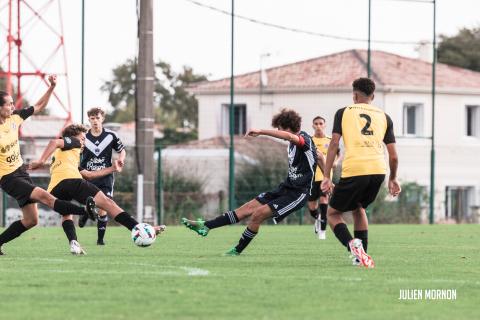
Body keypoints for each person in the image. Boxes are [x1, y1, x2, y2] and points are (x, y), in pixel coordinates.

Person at [181, 108, 317, 255]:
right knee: (245, 209)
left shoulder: (304, 139)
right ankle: (206, 226)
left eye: (279, 128)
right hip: (285, 187)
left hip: (298, 194)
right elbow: (320, 157)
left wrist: (261, 131)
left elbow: (292, 138)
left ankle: (236, 251)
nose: (277, 131)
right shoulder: (293, 145)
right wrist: (328, 179)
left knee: (257, 215)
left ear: (287, 126)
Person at [29, 124, 165, 255]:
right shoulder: (73, 142)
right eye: (83, 138)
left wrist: (112, 168)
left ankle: (74, 243)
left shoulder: (64, 156)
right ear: (73, 137)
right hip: (72, 181)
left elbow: (89, 175)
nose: (83, 142)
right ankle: (138, 228)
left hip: (54, 189)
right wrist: (41, 161)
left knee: (66, 215)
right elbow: (54, 142)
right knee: (108, 203)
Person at [0, 76, 97, 256]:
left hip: (21, 172)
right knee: (45, 196)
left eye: (13, 103)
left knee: (31, 220)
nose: (13, 107)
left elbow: (39, 106)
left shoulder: (15, 118)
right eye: (9, 104)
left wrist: (51, 87)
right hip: (8, 178)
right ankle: (85, 211)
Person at [321, 77, 401, 268]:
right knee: (358, 208)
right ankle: (362, 258)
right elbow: (394, 156)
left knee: (332, 214)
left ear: (354, 95)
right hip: (378, 170)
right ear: (372, 96)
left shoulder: (344, 112)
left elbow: (333, 144)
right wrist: (393, 178)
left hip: (355, 168)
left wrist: (326, 175)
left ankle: (353, 247)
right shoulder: (384, 116)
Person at [78, 107, 126, 245]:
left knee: (104, 206)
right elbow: (75, 153)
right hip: (88, 176)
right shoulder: (84, 137)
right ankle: (86, 212)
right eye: (92, 119)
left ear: (102, 119)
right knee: (90, 201)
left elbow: (122, 150)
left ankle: (100, 240)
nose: (95, 121)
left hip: (106, 177)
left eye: (97, 118)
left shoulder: (111, 135)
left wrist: (121, 159)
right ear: (89, 120)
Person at [307, 116, 339, 239]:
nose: (318, 126)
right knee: (311, 206)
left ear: (325, 125)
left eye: (321, 123)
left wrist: (336, 162)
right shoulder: (309, 140)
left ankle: (322, 232)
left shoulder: (330, 140)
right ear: (313, 126)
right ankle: (318, 218)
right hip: (311, 178)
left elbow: (339, 153)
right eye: (316, 123)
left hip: (325, 177)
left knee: (324, 201)